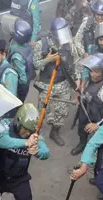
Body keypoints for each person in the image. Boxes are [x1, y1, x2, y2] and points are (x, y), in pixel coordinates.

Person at [0, 104, 49, 200]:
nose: (27, 134)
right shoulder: (5, 125)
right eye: (25, 130)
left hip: (19, 178)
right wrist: (25, 143)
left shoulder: (34, 134)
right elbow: (3, 141)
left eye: (30, 132)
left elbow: (45, 151)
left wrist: (37, 152)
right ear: (18, 122)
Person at [33, 18, 77, 147]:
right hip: (46, 84)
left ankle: (54, 132)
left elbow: (74, 63)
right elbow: (35, 65)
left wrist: (76, 80)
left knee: (61, 112)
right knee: (42, 112)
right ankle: (36, 136)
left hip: (63, 84)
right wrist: (47, 60)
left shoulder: (68, 43)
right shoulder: (41, 44)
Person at [72, 53, 103, 155]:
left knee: (97, 143)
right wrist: (81, 98)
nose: (92, 74)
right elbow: (91, 92)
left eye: (96, 71)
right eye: (91, 70)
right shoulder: (95, 78)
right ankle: (82, 143)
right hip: (87, 111)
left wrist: (98, 125)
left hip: (100, 119)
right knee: (82, 130)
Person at [7, 18, 34, 102]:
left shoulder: (17, 56)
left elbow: (23, 79)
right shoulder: (27, 46)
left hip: (20, 87)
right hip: (28, 80)